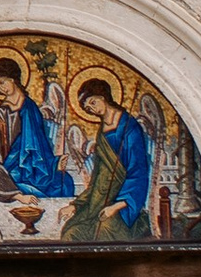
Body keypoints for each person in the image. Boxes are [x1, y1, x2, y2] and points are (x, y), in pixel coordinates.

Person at [0, 52, 73, 225]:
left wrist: (55, 163)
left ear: (13, 78)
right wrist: (16, 194)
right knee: (32, 192)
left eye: (2, 82)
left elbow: (41, 149)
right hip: (8, 176)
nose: (1, 88)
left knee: (66, 182)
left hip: (36, 171)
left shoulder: (31, 107)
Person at [65, 75, 153, 236]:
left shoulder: (129, 127)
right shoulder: (102, 132)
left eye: (93, 102)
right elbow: (98, 176)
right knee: (71, 231)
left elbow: (138, 172)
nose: (92, 109)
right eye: (88, 108)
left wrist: (117, 206)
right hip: (100, 199)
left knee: (105, 229)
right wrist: (76, 205)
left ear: (103, 96)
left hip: (124, 201)